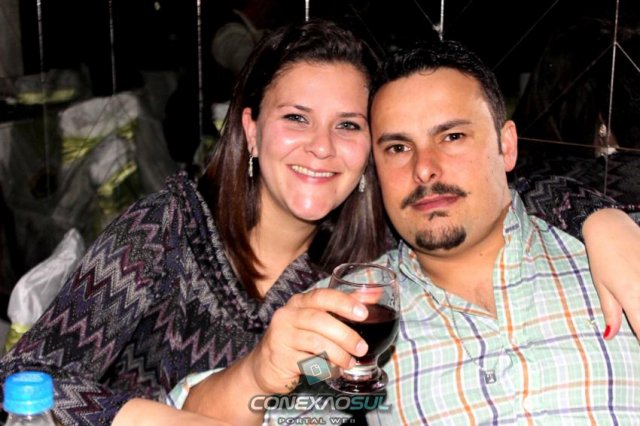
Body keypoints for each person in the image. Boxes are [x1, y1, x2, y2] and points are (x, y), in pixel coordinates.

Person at [1, 20, 639, 426]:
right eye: (296, 119)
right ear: (251, 131)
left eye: (349, 126)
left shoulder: (363, 269)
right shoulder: (171, 228)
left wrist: (603, 220)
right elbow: (23, 381)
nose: (322, 148)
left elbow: (487, 196)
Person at [171, 39, 640, 425]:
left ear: (507, 146)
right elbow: (204, 417)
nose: (424, 169)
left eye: (452, 137)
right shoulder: (356, 316)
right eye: (398, 147)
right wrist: (258, 375)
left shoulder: (610, 258)